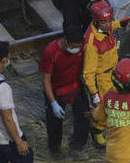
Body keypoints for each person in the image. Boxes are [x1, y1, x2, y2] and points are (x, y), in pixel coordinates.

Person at [83, 0, 130, 147]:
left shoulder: (105, 27)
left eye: (109, 21)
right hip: (102, 79)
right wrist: (94, 94)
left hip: (113, 73)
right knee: (105, 111)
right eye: (104, 22)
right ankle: (97, 132)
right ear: (96, 21)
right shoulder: (92, 42)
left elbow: (112, 26)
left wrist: (121, 23)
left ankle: (115, 132)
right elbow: (88, 72)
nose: (108, 25)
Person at [39, 25, 90, 160]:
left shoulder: (82, 45)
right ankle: (55, 150)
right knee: (54, 124)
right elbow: (46, 81)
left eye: (78, 46)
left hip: (75, 86)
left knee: (84, 117)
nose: (76, 49)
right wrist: (53, 103)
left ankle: (76, 148)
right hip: (56, 90)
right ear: (66, 41)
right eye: (74, 46)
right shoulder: (51, 52)